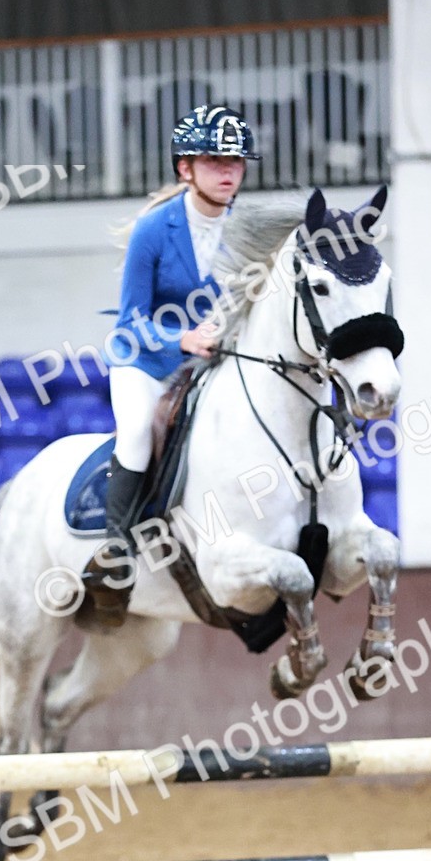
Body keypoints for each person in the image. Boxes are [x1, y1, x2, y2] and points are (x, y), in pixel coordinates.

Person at [84, 104, 260, 612]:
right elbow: (130, 320)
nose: (229, 172)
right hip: (146, 360)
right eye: (214, 161)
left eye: (236, 162)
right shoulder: (154, 230)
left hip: (213, 361)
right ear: (185, 168)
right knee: (138, 429)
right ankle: (115, 549)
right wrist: (183, 340)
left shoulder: (247, 229)